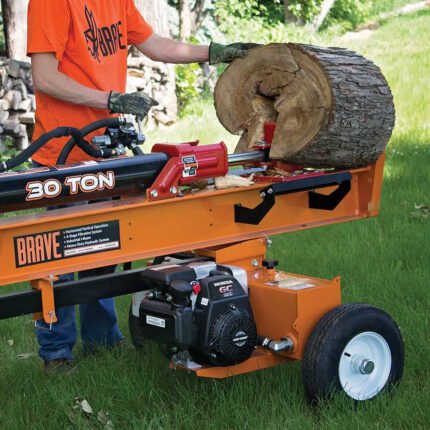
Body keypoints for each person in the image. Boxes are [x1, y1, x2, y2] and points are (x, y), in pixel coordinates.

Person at [27, 0, 257, 373]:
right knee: (59, 260)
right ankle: (56, 352)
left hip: (104, 148)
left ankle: (102, 339)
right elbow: (44, 77)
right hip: (62, 153)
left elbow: (155, 45)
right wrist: (110, 100)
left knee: (102, 251)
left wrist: (213, 52)